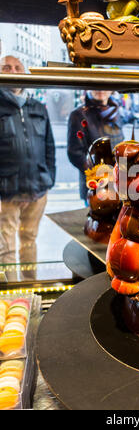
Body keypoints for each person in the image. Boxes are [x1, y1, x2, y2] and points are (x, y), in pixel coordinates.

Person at [0, 56, 56, 280]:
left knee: (29, 242)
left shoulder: (37, 107)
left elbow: (49, 147)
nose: (12, 71)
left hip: (37, 191)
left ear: (24, 73)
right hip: (6, 194)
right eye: (6, 67)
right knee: (6, 247)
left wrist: (48, 179)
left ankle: (30, 290)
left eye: (17, 67)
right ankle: (12, 295)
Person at [67, 90, 124, 201]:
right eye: (95, 86)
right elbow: (75, 153)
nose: (100, 90)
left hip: (118, 184)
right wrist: (98, 175)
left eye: (105, 86)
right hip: (95, 186)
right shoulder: (79, 115)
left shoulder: (116, 112)